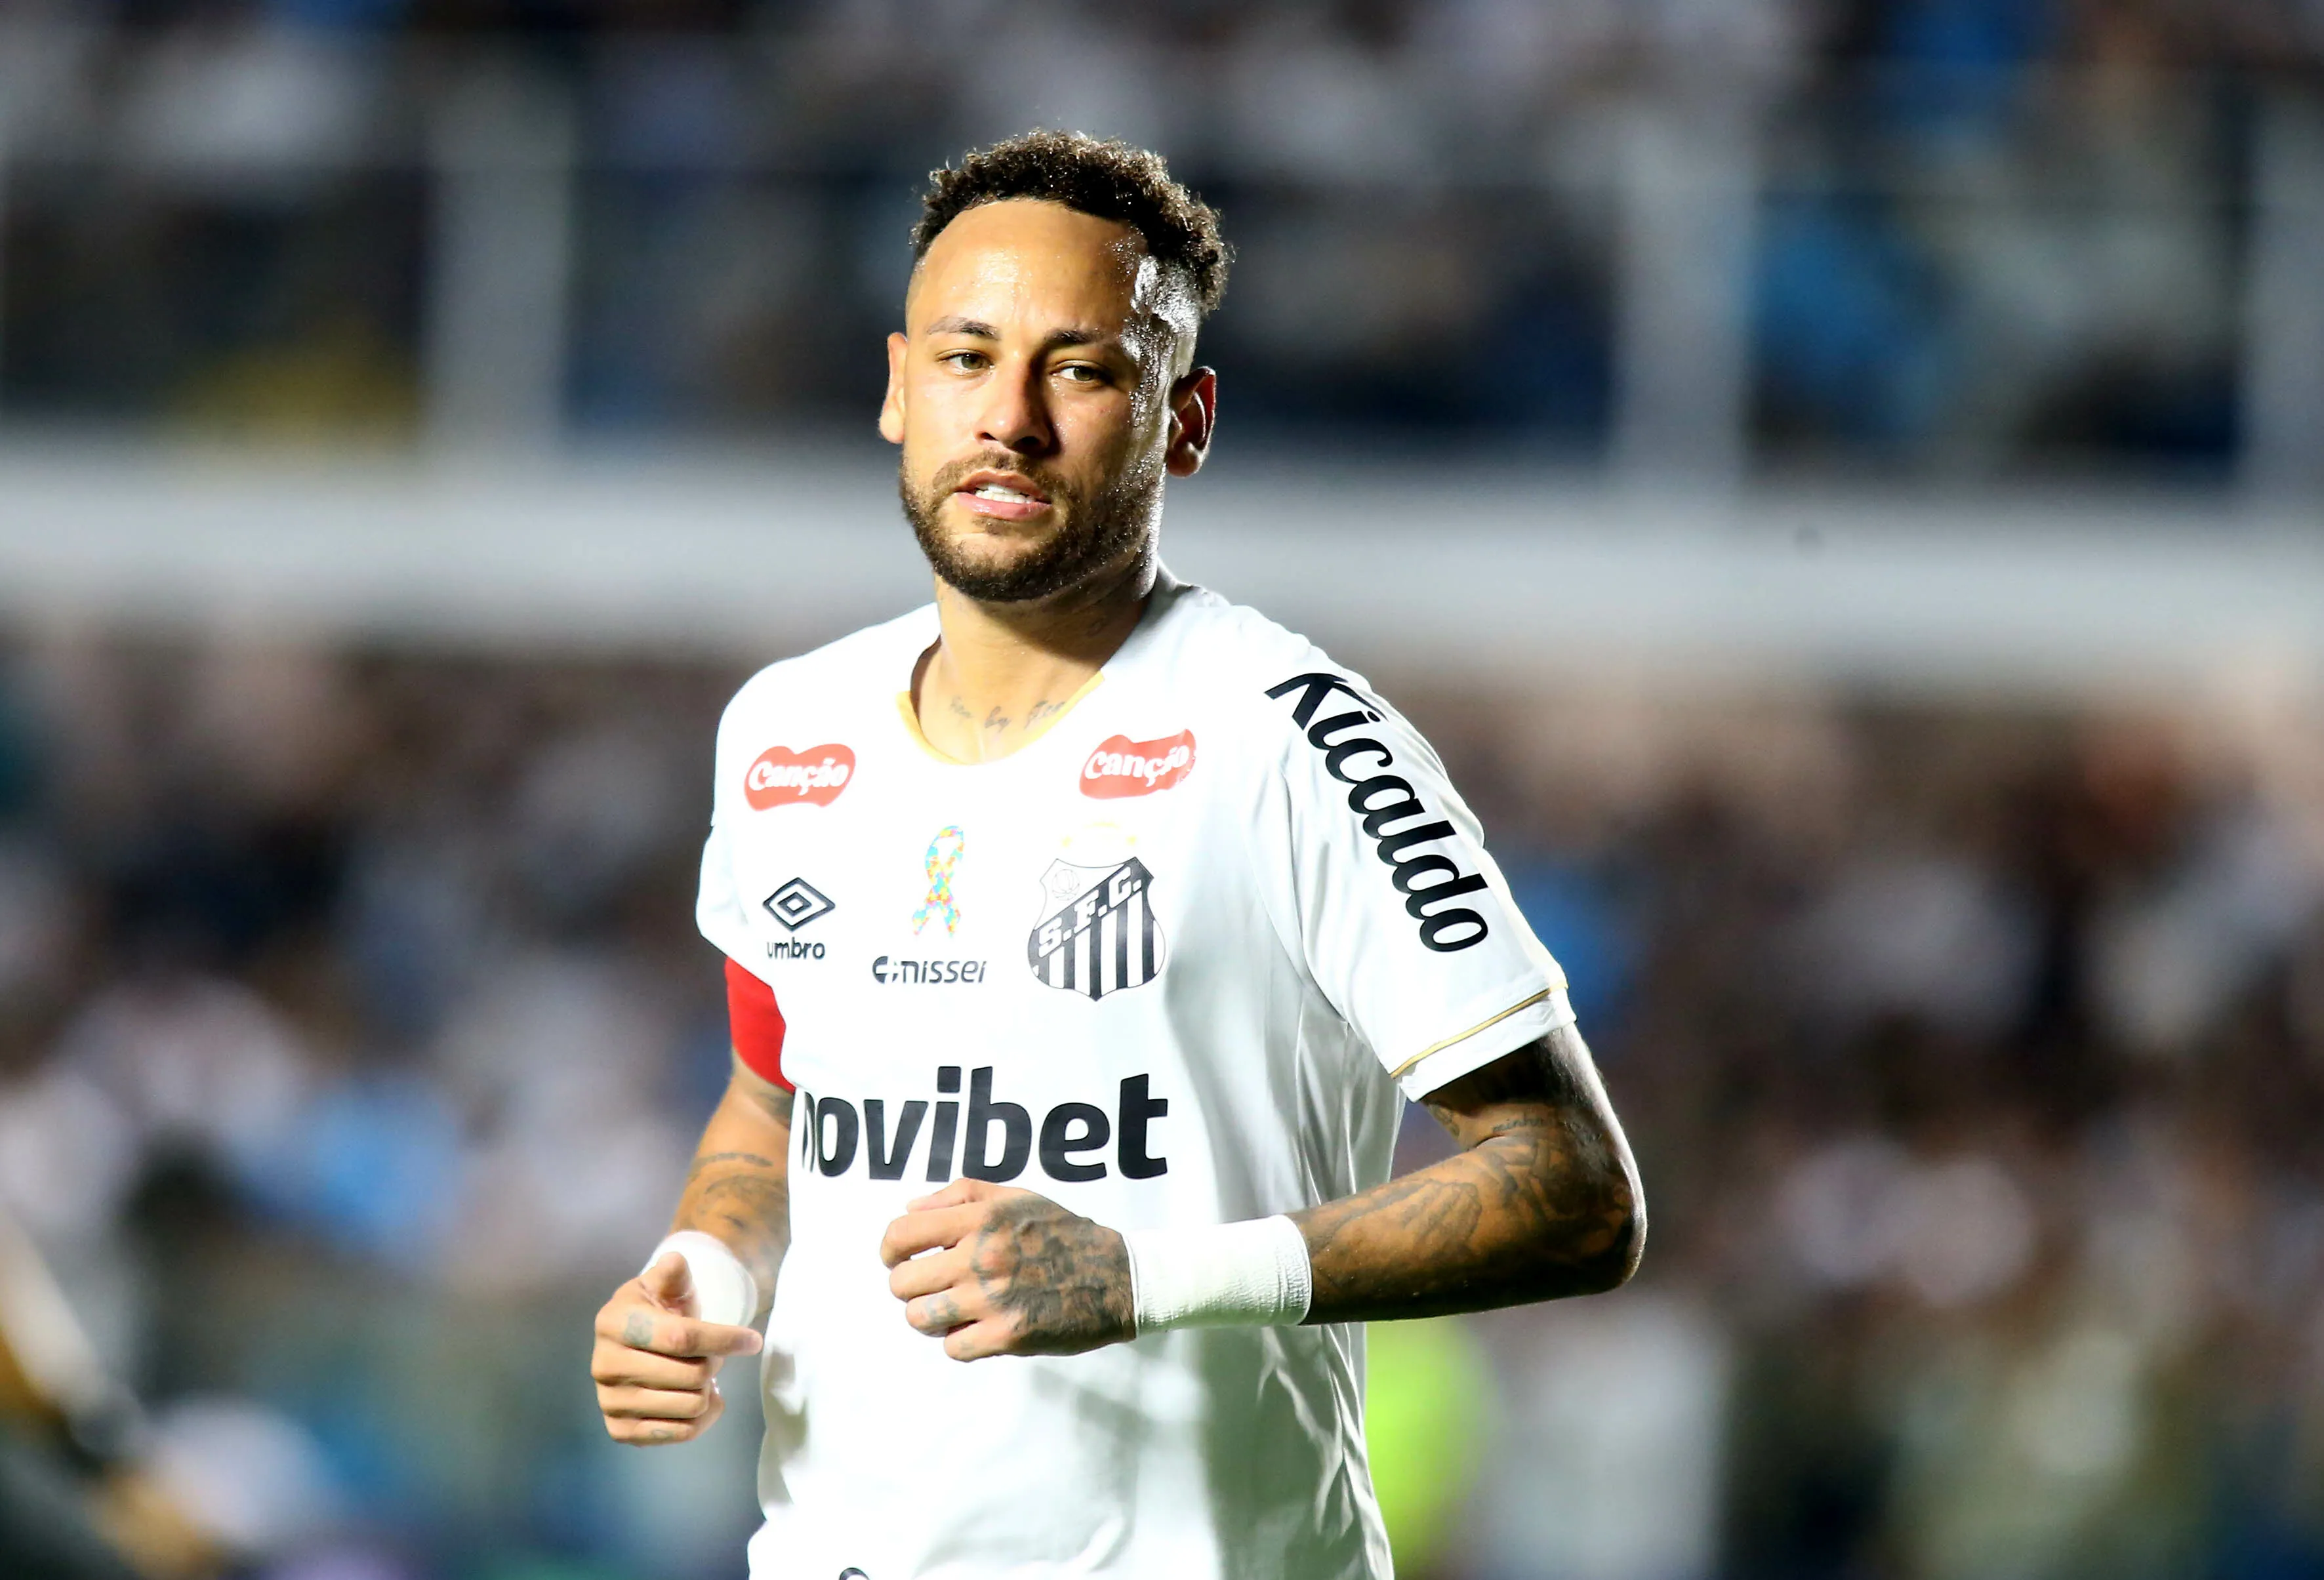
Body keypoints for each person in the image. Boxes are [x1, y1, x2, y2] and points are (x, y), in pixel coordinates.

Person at [588, 129, 1644, 1580]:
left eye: (1080, 368)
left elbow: (1577, 1189)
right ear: (898, 389)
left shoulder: (1297, 743)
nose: (1009, 417)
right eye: (967, 358)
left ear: (1184, 419)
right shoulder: (785, 732)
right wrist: (700, 1274)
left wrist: (1145, 1279)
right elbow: (768, 1121)